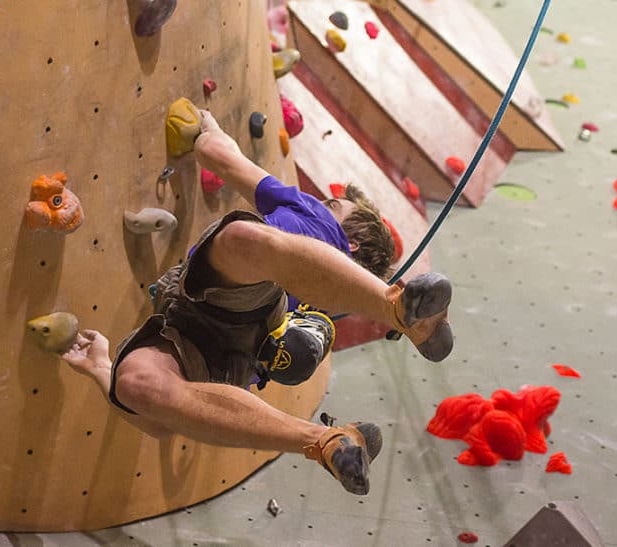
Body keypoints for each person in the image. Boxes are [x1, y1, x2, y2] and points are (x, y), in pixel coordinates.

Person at [55, 101, 453, 495]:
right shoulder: (333, 301)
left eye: (335, 206)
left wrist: (207, 128)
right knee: (135, 386)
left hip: (229, 303)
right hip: (222, 346)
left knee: (243, 240)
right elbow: (158, 425)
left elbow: (222, 158)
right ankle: (326, 441)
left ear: (352, 238)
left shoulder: (310, 214)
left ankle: (396, 309)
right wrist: (102, 367)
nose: (324, 202)